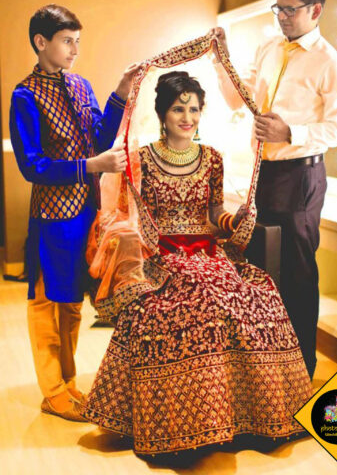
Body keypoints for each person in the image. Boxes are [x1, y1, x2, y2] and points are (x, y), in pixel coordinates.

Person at [81, 70, 314, 455]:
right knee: (201, 300)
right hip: (163, 255)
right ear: (162, 113)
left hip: (209, 252)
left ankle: (253, 415)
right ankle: (197, 422)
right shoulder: (142, 160)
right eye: (178, 109)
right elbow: (132, 216)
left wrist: (235, 221)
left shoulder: (212, 159)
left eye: (193, 109)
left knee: (256, 297)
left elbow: (214, 213)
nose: (187, 117)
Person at [211, 0, 337, 380]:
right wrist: (221, 61)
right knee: (261, 268)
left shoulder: (331, 63)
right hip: (265, 174)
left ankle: (301, 371)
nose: (283, 17)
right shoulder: (269, 48)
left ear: (316, 10)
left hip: (301, 178)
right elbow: (238, 100)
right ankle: (268, 368)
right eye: (278, 8)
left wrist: (289, 132)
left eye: (291, 10)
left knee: (296, 272)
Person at [9, 4, 138, 421]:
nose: (75, 50)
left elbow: (99, 137)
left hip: (87, 212)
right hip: (52, 216)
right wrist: (92, 166)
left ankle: (67, 383)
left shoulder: (81, 86)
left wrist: (120, 91)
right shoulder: (25, 95)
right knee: (47, 300)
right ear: (41, 42)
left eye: (77, 41)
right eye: (67, 41)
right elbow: (33, 166)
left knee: (73, 302)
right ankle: (52, 391)